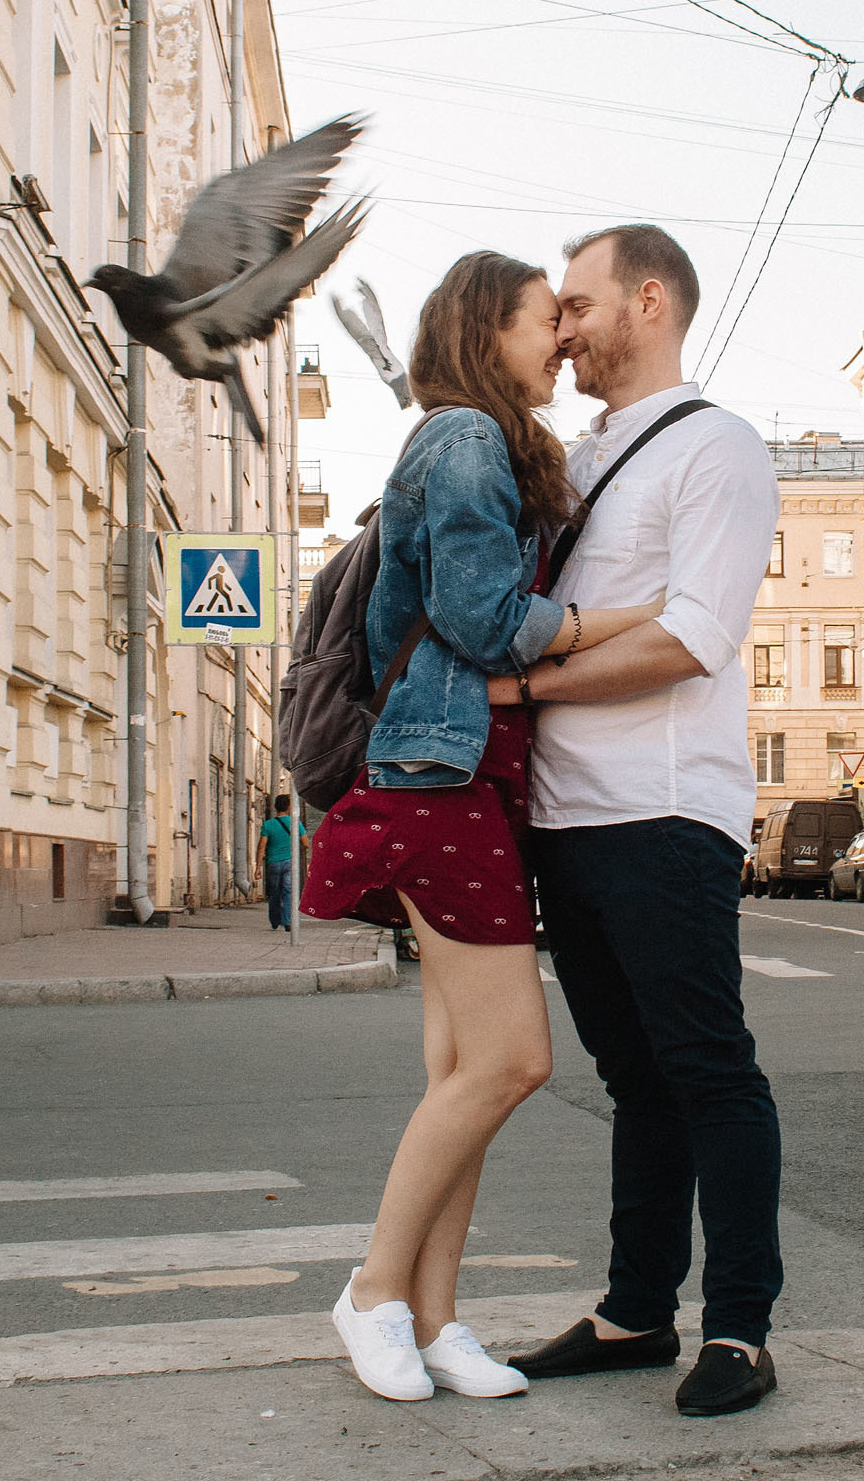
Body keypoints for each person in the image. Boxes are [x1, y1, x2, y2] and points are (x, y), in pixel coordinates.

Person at [301, 251, 666, 1404]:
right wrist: (623, 617)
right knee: (513, 1060)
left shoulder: (478, 442)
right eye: (538, 321)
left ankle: (437, 1317)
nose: (557, 338)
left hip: (459, 773)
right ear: (483, 332)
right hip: (436, 781)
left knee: (461, 1069)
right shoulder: (462, 440)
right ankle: (370, 1293)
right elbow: (479, 618)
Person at [491, 225, 786, 1418]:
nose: (561, 327)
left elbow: (689, 637)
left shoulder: (717, 449)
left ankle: (744, 1330)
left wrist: (522, 691)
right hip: (566, 816)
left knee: (708, 1068)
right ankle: (633, 1311)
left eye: (578, 302)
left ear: (649, 301)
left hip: (664, 809)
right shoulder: (579, 453)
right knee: (635, 1077)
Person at [257, 794, 304, 931]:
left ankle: (275, 920)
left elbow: (261, 846)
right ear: (289, 807)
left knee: (275, 892)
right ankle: (287, 921)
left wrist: (258, 867)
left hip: (273, 863)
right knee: (288, 891)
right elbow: (306, 842)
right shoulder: (295, 823)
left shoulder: (268, 825)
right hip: (290, 862)